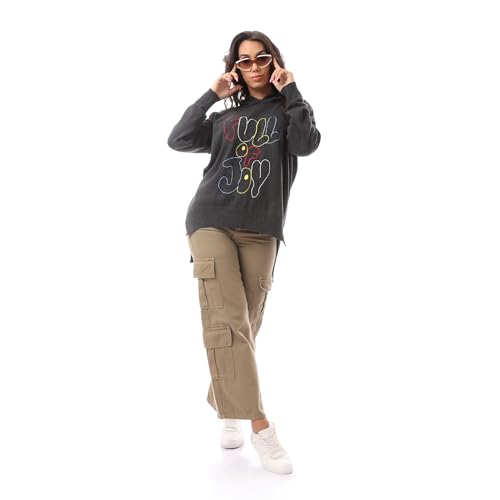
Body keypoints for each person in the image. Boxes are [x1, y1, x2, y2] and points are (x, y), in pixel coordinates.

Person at [167, 30, 320, 474]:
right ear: (235, 68)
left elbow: (305, 145)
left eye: (261, 58)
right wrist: (211, 94)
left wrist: (292, 90)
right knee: (228, 321)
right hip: (210, 219)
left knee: (246, 325)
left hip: (262, 230)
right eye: (244, 61)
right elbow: (179, 138)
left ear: (274, 62)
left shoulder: (291, 112)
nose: (254, 67)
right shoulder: (222, 119)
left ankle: (227, 405)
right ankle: (261, 427)